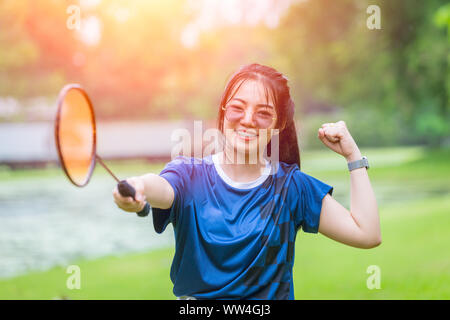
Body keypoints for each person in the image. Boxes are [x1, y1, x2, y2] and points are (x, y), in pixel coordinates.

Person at [112, 63, 381, 300]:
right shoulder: (187, 174)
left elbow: (366, 233)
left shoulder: (292, 187)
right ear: (224, 112)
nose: (248, 120)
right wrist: (138, 187)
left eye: (263, 113)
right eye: (238, 108)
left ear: (279, 123)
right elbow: (159, 187)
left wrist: (352, 156)